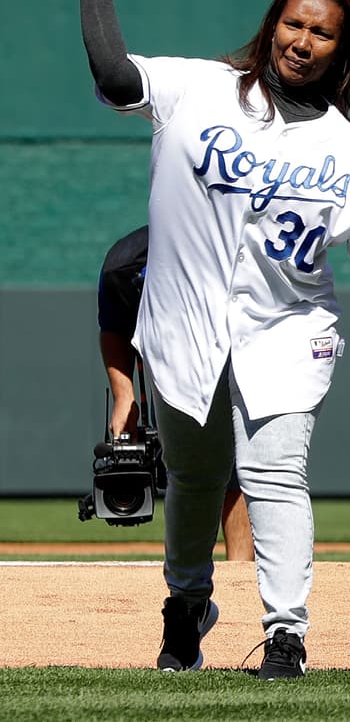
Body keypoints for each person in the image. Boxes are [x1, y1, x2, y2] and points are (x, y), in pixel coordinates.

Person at [77, 0, 350, 679]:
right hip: (185, 324)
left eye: (322, 31)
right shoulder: (199, 89)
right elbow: (112, 72)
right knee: (195, 481)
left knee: (274, 475)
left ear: (341, 51)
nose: (303, 39)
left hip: (288, 330)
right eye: (295, 23)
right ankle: (186, 602)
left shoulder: (342, 146)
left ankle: (286, 633)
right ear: (272, 26)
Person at [98, 225, 253, 561]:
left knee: (240, 463)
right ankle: (186, 582)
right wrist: (125, 395)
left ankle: (239, 580)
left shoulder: (238, 245)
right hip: (170, 359)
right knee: (181, 465)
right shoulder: (124, 266)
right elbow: (114, 329)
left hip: (238, 346)